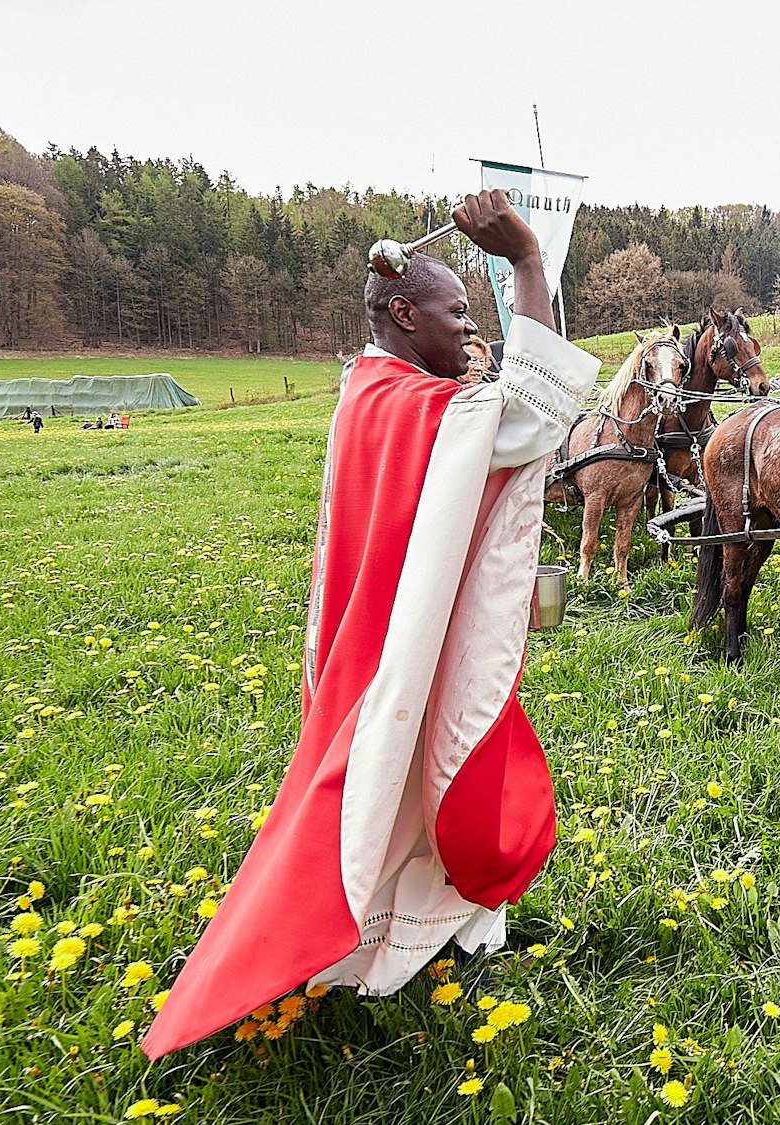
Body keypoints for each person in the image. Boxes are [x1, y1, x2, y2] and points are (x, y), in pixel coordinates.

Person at [145, 189, 599, 1058]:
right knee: (418, 774)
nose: (472, 331)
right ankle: (368, 938)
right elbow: (534, 414)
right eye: (457, 313)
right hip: (392, 650)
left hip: (384, 631)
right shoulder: (405, 403)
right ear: (401, 311)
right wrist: (528, 261)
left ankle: (422, 925)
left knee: (416, 784)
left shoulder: (376, 387)